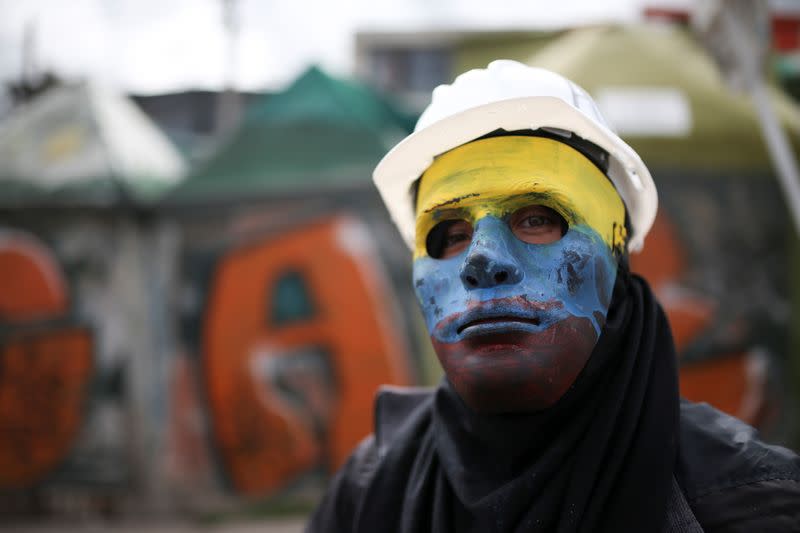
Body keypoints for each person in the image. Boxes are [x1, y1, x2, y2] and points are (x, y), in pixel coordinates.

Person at [307, 60, 800, 532]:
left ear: (616, 251)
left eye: (537, 218)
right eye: (450, 234)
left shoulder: (747, 503)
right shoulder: (369, 492)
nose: (482, 262)